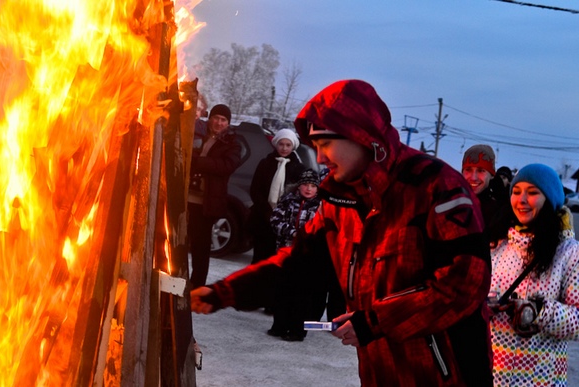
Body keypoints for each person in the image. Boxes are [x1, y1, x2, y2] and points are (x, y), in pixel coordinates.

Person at [191, 79, 493, 386]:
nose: (319, 158)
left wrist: (375, 321)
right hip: (380, 372)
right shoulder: (340, 202)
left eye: (325, 145)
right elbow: (294, 266)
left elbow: (466, 282)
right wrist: (224, 292)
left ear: (360, 136)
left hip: (447, 373)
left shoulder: (435, 186)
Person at [487, 163, 579, 386]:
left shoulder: (571, 253)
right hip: (490, 377)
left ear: (550, 199)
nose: (522, 200)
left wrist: (539, 312)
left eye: (533, 192)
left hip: (541, 380)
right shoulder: (494, 245)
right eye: (516, 192)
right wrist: (481, 306)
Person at [266, 169, 345, 341]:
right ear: (298, 185)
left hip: (308, 257)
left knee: (302, 295)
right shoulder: (288, 200)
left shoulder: (321, 206)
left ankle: (297, 330)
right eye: (305, 185)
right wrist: (292, 232)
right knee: (282, 291)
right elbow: (275, 219)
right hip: (286, 253)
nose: (308, 189)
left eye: (312, 186)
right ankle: (279, 325)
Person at [187, 104, 241, 289]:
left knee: (200, 246)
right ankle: (177, 280)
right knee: (179, 242)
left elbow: (226, 165)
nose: (219, 122)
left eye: (223, 120)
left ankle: (196, 285)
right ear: (209, 119)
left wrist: (198, 162)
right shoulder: (196, 134)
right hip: (186, 197)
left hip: (206, 202)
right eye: (216, 118)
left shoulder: (232, 143)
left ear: (228, 123)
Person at [248, 128, 306, 264]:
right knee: (259, 259)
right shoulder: (265, 163)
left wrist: (282, 213)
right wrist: (267, 211)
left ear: (293, 146)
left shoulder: (299, 168)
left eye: (288, 145)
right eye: (281, 144)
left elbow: (299, 196)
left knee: (277, 261)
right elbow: (255, 190)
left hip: (284, 222)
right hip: (263, 218)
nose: (284, 148)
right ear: (276, 144)